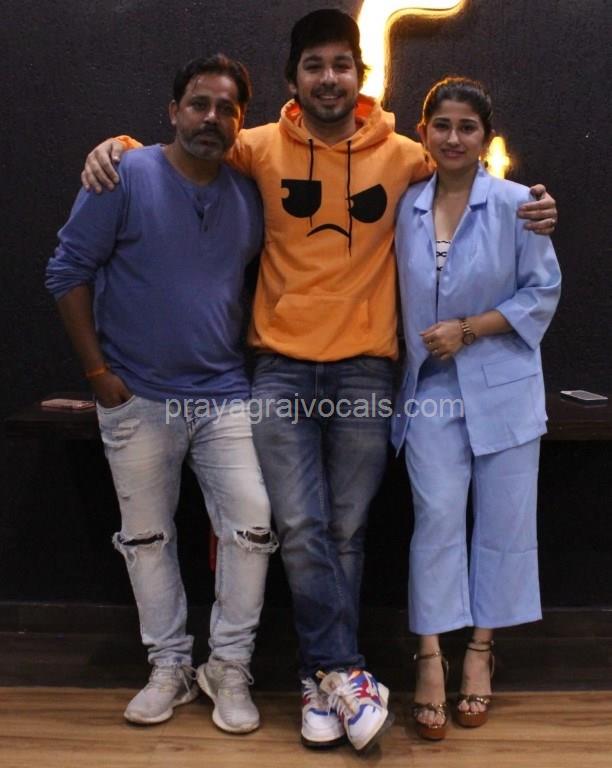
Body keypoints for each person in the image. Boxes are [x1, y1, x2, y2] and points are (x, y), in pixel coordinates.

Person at [78, 9, 557, 752]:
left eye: (340, 65)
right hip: (277, 366)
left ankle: (326, 675)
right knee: (297, 525)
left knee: (347, 529)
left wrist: (533, 204)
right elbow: (187, 147)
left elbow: (470, 178)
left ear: (359, 77)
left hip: (367, 367)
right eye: (314, 65)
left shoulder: (404, 155)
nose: (328, 77)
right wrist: (119, 147)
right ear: (293, 79)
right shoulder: (258, 145)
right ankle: (335, 673)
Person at [46, 54, 278, 733]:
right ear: (173, 111)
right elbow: (66, 272)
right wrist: (98, 375)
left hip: (224, 393)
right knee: (146, 538)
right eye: (199, 104)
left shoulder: (249, 195)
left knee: (252, 525)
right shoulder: (123, 174)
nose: (212, 118)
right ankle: (169, 667)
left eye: (227, 109)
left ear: (240, 122)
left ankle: (227, 667)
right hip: (137, 396)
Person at [393, 76, 561, 740]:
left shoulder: (520, 205)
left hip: (505, 389)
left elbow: (541, 293)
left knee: (502, 523)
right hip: (430, 391)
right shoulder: (405, 205)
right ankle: (429, 655)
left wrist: (469, 328)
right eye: (442, 125)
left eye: (468, 127)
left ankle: (481, 651)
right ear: (423, 132)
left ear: (486, 137)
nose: (454, 137)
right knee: (435, 519)